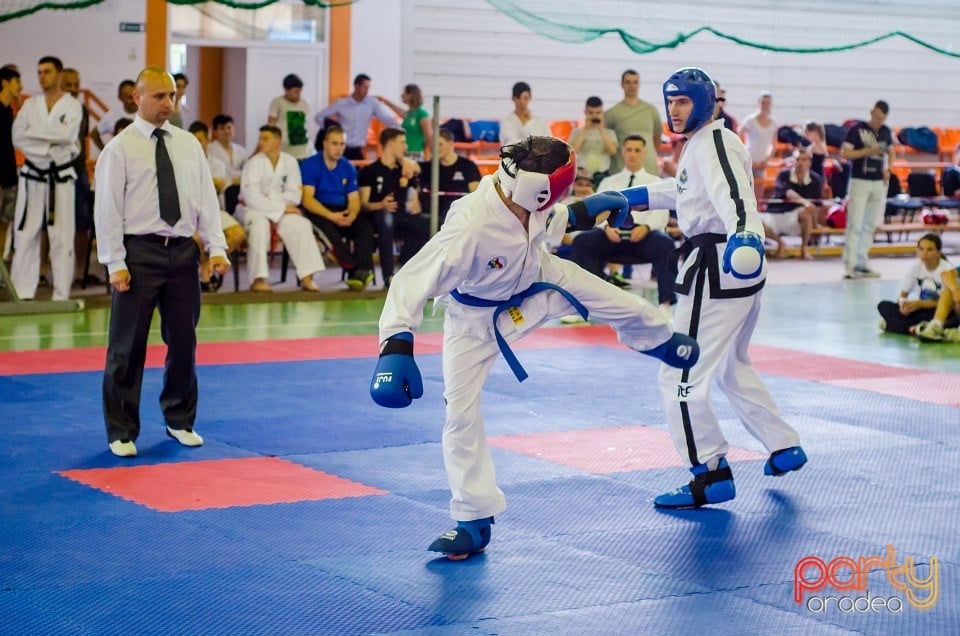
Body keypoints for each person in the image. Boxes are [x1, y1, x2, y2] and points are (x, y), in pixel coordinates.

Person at [369, 135, 700, 560]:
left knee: (621, 302)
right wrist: (395, 344)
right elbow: (410, 280)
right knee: (459, 415)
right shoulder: (469, 226)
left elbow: (558, 217)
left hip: (539, 282)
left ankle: (660, 341)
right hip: (474, 323)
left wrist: (598, 204)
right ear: (538, 187)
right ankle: (472, 517)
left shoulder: (527, 199)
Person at [619, 67, 807, 509]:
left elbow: (736, 198)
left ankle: (709, 472)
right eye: (670, 101)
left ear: (706, 103)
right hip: (730, 268)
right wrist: (633, 197)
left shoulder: (716, 142)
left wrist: (746, 234)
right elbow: (689, 192)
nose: (674, 110)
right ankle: (783, 445)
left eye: (683, 101)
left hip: (717, 265)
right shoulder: (704, 144)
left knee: (679, 372)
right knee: (729, 366)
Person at [94, 67, 229, 458]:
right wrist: (114, 261)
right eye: (159, 96)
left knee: (184, 341)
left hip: (183, 252)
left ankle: (180, 419)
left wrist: (216, 248)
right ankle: (121, 429)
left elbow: (205, 200)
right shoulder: (119, 148)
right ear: (138, 98)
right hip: (138, 254)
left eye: (172, 96)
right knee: (127, 346)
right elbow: (108, 210)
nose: (168, 104)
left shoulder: (188, 144)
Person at [571, 134, 677, 307]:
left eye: (637, 150)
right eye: (629, 150)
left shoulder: (655, 182)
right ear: (623, 152)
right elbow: (600, 210)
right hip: (612, 235)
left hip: (643, 237)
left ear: (644, 153)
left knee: (665, 244)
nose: (633, 154)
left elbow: (662, 213)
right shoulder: (609, 181)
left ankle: (666, 303)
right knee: (583, 241)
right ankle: (586, 301)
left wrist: (647, 227)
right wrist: (606, 227)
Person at [11, 55, 82, 302]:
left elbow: (68, 135)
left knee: (61, 237)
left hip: (60, 178)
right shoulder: (30, 105)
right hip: (32, 177)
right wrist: (49, 146)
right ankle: (23, 292)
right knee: (26, 233)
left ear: (59, 75)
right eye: (39, 72)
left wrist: (36, 136)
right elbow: (18, 136)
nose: (42, 76)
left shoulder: (73, 106)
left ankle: (61, 294)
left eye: (47, 71)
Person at [236, 125, 325, 292]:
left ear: (278, 141)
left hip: (283, 209)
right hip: (251, 210)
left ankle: (307, 277)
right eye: (260, 138)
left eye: (265, 139)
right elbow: (251, 197)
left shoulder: (290, 162)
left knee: (301, 224)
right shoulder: (253, 163)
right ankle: (258, 278)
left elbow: (295, 195)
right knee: (259, 225)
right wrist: (280, 206)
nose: (261, 142)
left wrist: (276, 203)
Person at [300, 124, 375, 291]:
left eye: (342, 144)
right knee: (331, 235)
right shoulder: (310, 165)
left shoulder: (347, 166)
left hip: (342, 209)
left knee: (365, 227)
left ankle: (362, 271)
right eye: (335, 144)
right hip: (319, 210)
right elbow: (307, 200)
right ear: (325, 143)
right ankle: (355, 269)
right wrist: (331, 216)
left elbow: (354, 198)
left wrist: (351, 215)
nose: (339, 148)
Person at [358, 127, 425, 284]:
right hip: (379, 216)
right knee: (386, 219)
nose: (406, 147)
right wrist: (380, 204)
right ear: (390, 144)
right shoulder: (370, 171)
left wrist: (414, 169)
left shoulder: (404, 169)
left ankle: (405, 267)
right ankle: (389, 275)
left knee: (426, 224)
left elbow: (420, 179)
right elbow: (364, 204)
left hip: (402, 216)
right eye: (402, 143)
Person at [188, 120, 246, 292]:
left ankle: (207, 262)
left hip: (216, 211)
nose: (198, 143)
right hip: (191, 212)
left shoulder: (217, 164)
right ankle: (205, 273)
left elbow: (218, 185)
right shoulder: (184, 164)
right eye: (194, 140)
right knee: (197, 238)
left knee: (238, 235)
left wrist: (202, 185)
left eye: (201, 139)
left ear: (207, 140)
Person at [840, 100, 895, 280]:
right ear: (871, 112)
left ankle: (862, 262)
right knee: (855, 224)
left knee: (870, 224)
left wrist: (889, 168)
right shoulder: (856, 129)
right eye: (877, 117)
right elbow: (845, 153)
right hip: (860, 180)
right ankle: (850, 264)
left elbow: (891, 151)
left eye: (882, 119)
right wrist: (867, 151)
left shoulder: (886, 131)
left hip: (878, 182)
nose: (879, 122)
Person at [877, 234, 955, 335]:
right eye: (921, 249)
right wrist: (903, 306)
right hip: (920, 309)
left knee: (939, 315)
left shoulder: (946, 270)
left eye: (930, 250)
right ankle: (915, 328)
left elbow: (949, 302)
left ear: (938, 252)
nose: (924, 253)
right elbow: (902, 295)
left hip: (938, 311)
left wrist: (921, 304)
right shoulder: (916, 268)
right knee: (883, 305)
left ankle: (895, 326)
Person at [60, 67, 96, 283]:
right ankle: (45, 271)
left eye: (76, 85)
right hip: (55, 173)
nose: (73, 89)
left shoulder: (82, 109)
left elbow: (82, 139)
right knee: (49, 225)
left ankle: (80, 270)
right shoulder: (52, 108)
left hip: (78, 171)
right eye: (68, 85)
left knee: (82, 223)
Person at [315, 73, 397, 160]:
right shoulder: (341, 103)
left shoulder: (372, 104)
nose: (367, 90)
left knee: (357, 172)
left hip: (357, 150)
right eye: (365, 87)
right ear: (356, 86)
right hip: (341, 148)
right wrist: (332, 129)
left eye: (368, 87)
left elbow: (387, 119)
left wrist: (400, 127)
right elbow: (319, 117)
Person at [761, 146, 822, 260]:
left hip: (795, 217)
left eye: (804, 159)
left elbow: (816, 204)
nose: (800, 162)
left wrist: (816, 224)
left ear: (809, 162)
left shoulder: (815, 179)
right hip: (776, 214)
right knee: (757, 221)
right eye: (798, 159)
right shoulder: (783, 175)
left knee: (806, 213)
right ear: (792, 161)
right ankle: (780, 243)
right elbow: (789, 192)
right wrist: (804, 202)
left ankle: (804, 249)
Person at [417, 128, 481, 227]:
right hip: (431, 216)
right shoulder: (428, 167)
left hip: (457, 217)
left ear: (451, 143)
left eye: (440, 144)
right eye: (433, 145)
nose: (436, 148)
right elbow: (408, 168)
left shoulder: (468, 166)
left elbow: (476, 193)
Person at [605, 69, 663, 176]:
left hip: (649, 170)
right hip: (620, 172)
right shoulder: (611, 114)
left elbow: (657, 141)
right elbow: (607, 143)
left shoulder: (651, 110)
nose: (632, 86)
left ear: (639, 84)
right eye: (628, 82)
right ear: (622, 84)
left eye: (635, 82)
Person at [738, 91, 778, 203]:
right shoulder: (750, 120)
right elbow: (738, 136)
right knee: (744, 192)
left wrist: (766, 160)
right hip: (748, 161)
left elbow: (773, 145)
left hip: (762, 164)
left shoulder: (774, 123)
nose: (765, 105)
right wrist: (745, 156)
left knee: (758, 196)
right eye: (763, 102)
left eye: (768, 103)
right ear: (759, 103)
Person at [567, 96, 618, 180]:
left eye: (598, 113)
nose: (594, 116)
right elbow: (572, 151)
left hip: (602, 175)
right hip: (581, 175)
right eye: (590, 113)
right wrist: (585, 129)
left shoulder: (609, 133)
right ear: (585, 112)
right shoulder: (576, 132)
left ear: (602, 113)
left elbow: (612, 151)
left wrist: (601, 130)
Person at [0, 66, 22, 265]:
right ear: (5, 83)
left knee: (5, 224)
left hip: (9, 176)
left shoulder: (9, 110)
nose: (21, 87)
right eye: (17, 82)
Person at [382, 83, 431, 160]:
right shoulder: (409, 113)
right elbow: (399, 110)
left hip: (415, 153)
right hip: (404, 152)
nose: (402, 95)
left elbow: (429, 135)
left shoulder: (422, 113)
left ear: (410, 95)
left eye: (404, 93)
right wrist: (385, 101)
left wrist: (426, 154)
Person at [267, 73, 311, 160]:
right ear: (286, 90)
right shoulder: (277, 102)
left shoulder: (304, 103)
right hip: (283, 150)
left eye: (300, 91)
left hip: (302, 151)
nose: (298, 94)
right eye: (295, 91)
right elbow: (271, 126)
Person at [498, 81, 550, 146]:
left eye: (526, 98)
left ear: (530, 98)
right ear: (513, 98)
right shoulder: (506, 123)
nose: (522, 101)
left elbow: (550, 143)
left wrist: (529, 122)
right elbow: (509, 146)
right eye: (518, 98)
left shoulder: (539, 122)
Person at [91, 79, 136, 150]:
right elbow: (94, 134)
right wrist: (105, 152)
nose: (133, 100)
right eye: (129, 97)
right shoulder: (113, 115)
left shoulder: (147, 113)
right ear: (120, 97)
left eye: (135, 96)